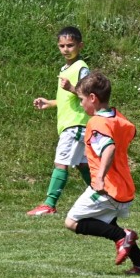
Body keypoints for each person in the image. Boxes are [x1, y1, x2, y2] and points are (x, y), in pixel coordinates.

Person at [64, 73, 140, 275]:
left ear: (93, 98)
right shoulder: (117, 117)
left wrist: (99, 178)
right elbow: (131, 131)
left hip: (107, 187)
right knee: (106, 221)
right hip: (123, 186)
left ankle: (122, 236)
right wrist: (73, 89)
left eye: (81, 99)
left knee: (71, 222)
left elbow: (109, 148)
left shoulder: (96, 123)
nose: (81, 104)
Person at [27, 26, 92, 216]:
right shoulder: (65, 69)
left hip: (75, 124)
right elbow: (67, 99)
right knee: (82, 165)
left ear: (80, 46)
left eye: (70, 45)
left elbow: (88, 94)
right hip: (73, 124)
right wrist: (50, 103)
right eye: (62, 46)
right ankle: (104, 197)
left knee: (61, 162)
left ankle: (49, 204)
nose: (65, 49)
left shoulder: (81, 68)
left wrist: (71, 87)